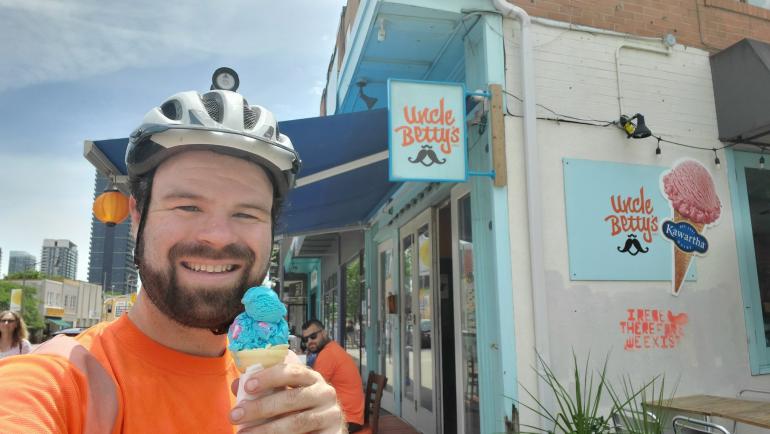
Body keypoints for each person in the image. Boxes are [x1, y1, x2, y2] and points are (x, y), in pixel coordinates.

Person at [0, 78, 344, 433]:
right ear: (137, 216)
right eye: (188, 206)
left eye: (246, 213)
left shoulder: (284, 381)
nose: (218, 236)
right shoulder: (58, 382)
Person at [303, 319, 365, 432]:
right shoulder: (332, 348)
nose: (309, 342)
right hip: (353, 416)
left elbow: (312, 391)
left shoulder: (327, 354)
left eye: (313, 336)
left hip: (347, 420)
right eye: (305, 339)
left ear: (324, 333)